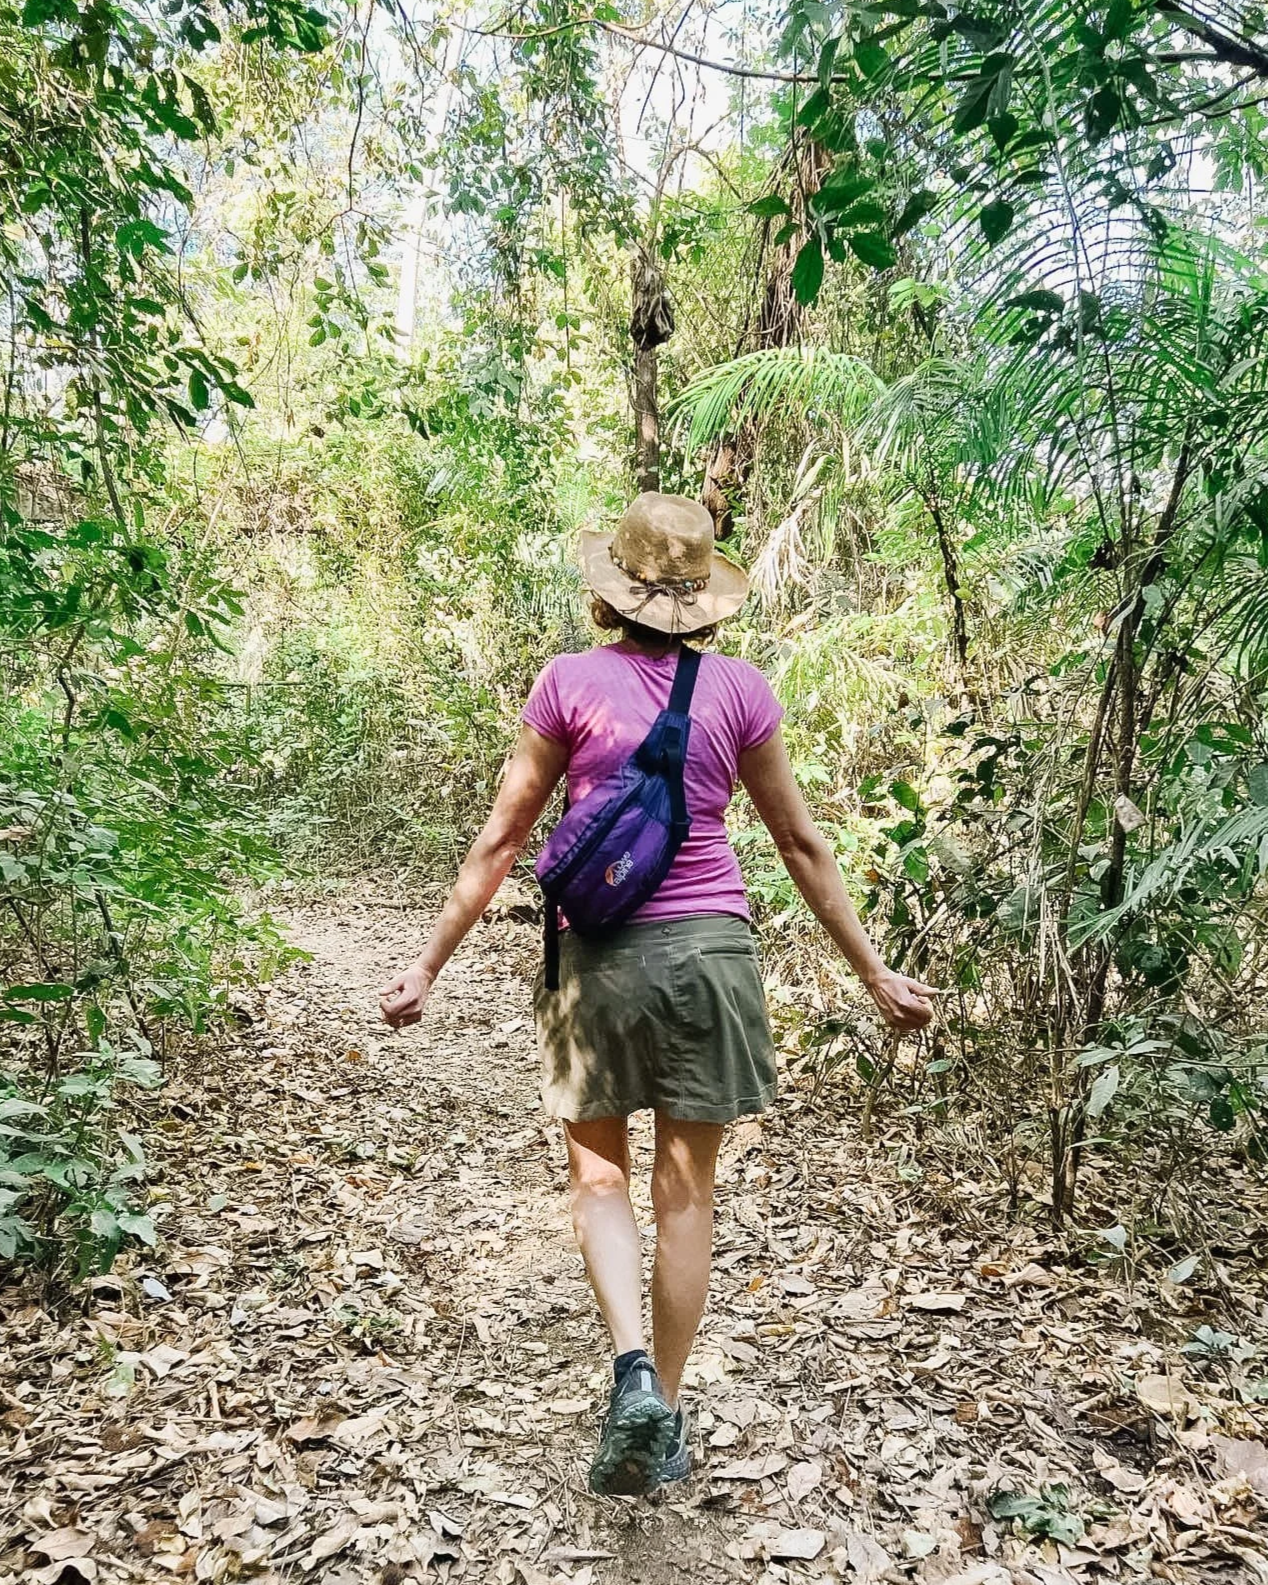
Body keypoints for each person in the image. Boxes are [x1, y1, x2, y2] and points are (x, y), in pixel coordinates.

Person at [379, 492, 936, 1497]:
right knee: (687, 1192)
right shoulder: (739, 691)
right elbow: (800, 843)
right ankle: (662, 1412)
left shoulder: (565, 682)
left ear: (612, 592)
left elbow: (502, 839)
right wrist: (871, 969)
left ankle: (629, 1366)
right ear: (701, 597)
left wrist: (427, 964)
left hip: (595, 955)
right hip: (712, 954)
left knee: (598, 1180)